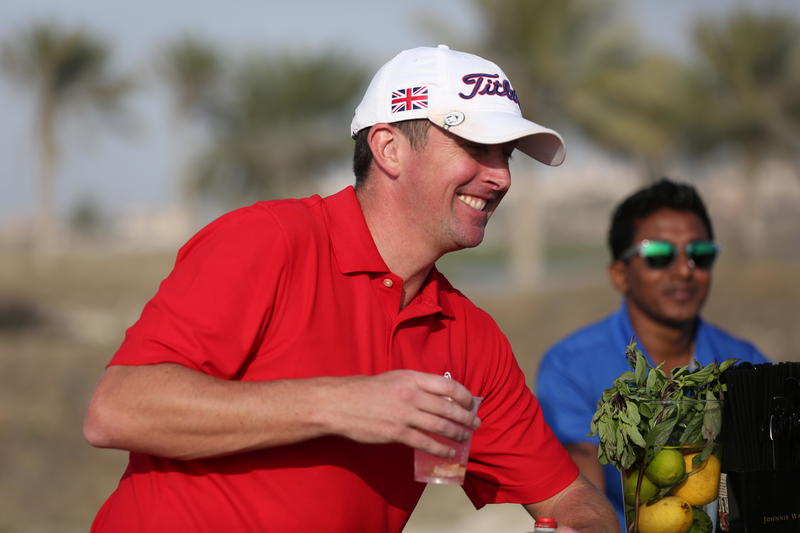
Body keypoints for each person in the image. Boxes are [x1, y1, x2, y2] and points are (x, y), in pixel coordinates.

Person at [83, 44, 617, 533]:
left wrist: (583, 525)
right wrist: (341, 403)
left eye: (507, 155)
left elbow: (570, 496)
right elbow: (117, 411)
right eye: (477, 147)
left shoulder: (470, 337)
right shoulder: (268, 240)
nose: (501, 177)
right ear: (388, 148)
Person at [535, 178, 770, 531]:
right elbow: (579, 462)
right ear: (620, 274)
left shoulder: (745, 361)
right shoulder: (570, 365)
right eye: (659, 255)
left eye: (700, 254)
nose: (684, 270)